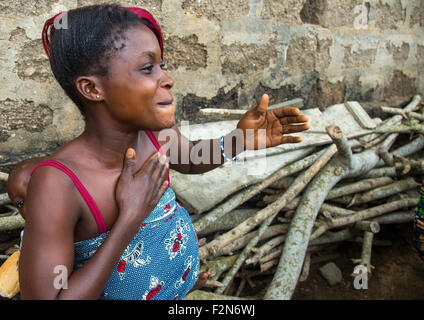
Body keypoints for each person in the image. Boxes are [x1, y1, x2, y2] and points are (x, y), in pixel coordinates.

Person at [19, 4, 309, 300]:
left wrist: (239, 140)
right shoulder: (59, 184)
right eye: (147, 68)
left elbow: (193, 158)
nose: (167, 79)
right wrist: (130, 217)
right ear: (93, 89)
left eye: (162, 65)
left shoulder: (154, 136)